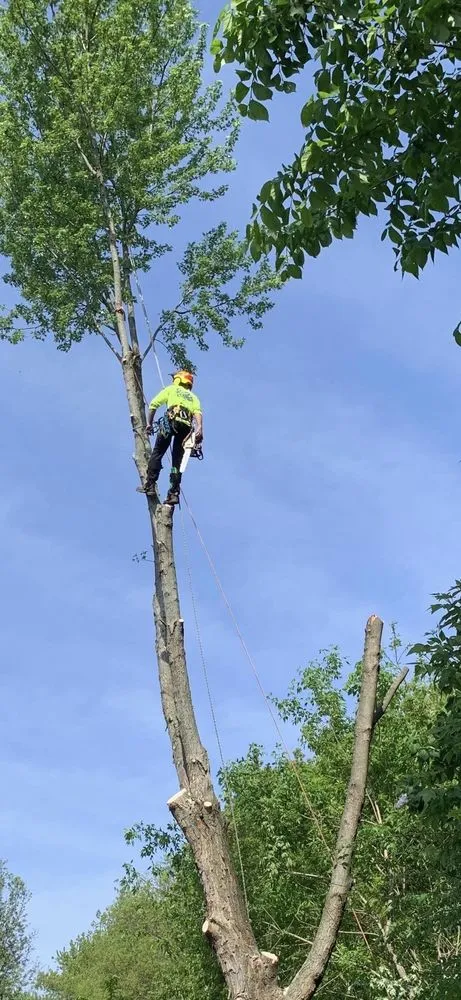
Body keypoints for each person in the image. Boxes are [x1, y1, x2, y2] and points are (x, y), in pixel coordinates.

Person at [138, 370, 203, 504]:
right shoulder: (193, 397)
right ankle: (173, 493)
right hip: (186, 428)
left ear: (178, 379)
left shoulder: (171, 389)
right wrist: (199, 428)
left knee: (158, 452)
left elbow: (153, 405)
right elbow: (197, 413)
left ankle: (150, 484)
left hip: (170, 422)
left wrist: (149, 423)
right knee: (177, 461)